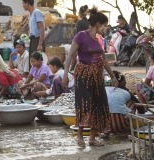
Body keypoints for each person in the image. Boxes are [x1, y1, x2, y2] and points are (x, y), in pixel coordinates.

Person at [62, 6, 119, 147]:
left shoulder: (100, 39)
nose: (105, 28)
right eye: (105, 25)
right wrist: (65, 74)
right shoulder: (81, 36)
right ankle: (80, 136)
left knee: (97, 104)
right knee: (84, 105)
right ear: (98, 24)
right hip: (83, 74)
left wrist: (112, 76)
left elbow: (104, 59)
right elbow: (70, 55)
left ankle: (92, 138)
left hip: (97, 75)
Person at [102, 70, 145, 138]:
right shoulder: (125, 91)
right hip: (121, 124)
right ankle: (123, 131)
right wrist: (142, 111)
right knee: (132, 102)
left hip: (103, 124)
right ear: (122, 82)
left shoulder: (103, 90)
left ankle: (105, 132)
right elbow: (139, 105)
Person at [22, 0, 46, 68]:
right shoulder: (30, 15)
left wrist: (40, 44)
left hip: (37, 40)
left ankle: (41, 77)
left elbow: (42, 28)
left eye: (23, 3)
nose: (22, 5)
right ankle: (34, 77)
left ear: (27, 3)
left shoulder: (36, 12)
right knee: (33, 61)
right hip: (33, 40)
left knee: (39, 61)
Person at [71, 5, 89, 71]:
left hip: (81, 44)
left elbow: (78, 35)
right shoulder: (88, 22)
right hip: (88, 43)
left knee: (76, 60)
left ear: (80, 13)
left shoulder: (79, 22)